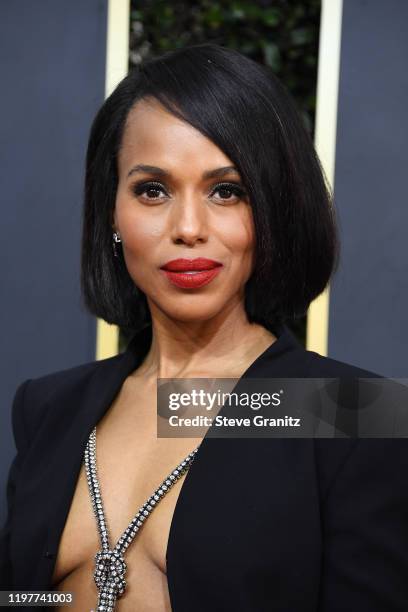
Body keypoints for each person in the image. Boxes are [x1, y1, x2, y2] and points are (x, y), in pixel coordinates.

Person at [1, 42, 407, 612]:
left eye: (226, 191)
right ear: (112, 213)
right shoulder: (49, 407)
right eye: (152, 190)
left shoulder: (344, 412)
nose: (188, 227)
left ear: (271, 212)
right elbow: (21, 595)